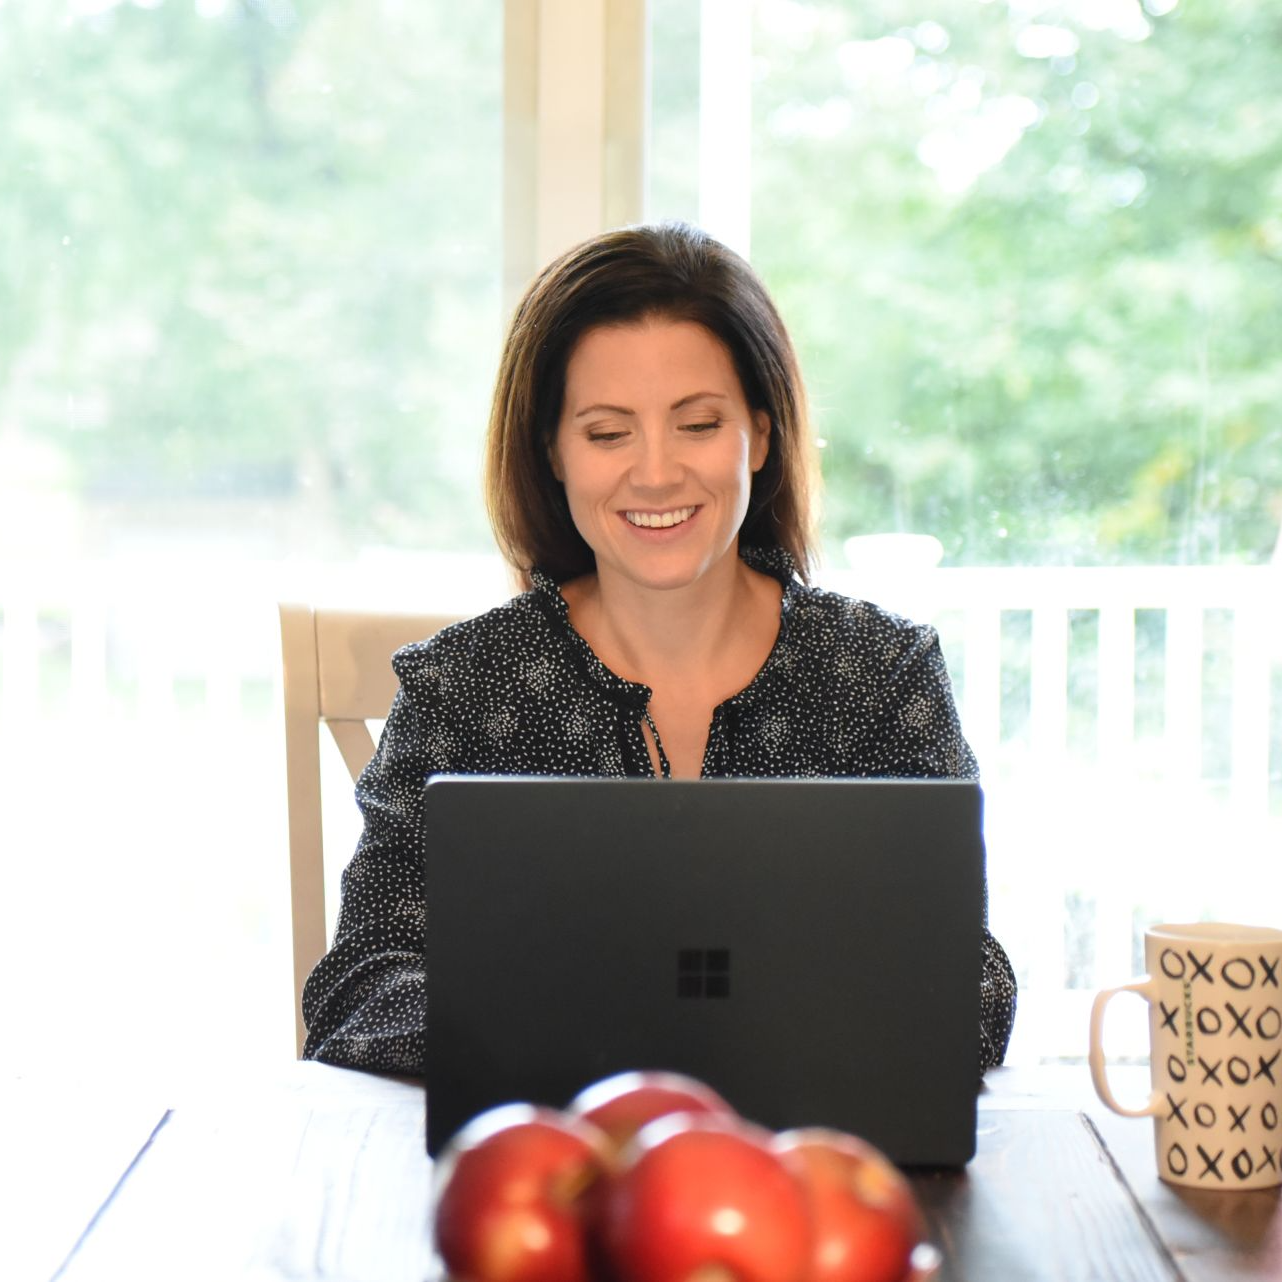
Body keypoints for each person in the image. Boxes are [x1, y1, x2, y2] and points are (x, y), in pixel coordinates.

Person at [301, 221, 1016, 1075]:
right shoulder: (463, 687)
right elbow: (360, 990)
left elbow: (972, 988)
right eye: (607, 433)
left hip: (804, 1174)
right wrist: (701, 1023)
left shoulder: (879, 675)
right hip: (548, 1174)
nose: (655, 473)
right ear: (552, 453)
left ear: (762, 428)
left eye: (698, 424)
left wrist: (606, 1016)